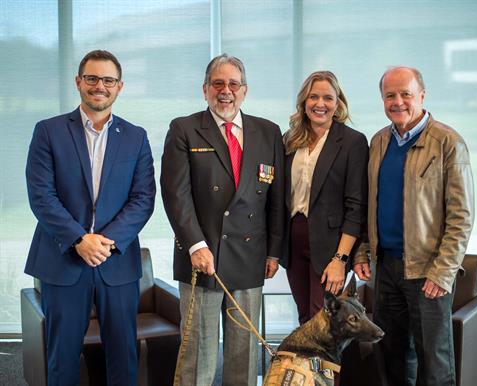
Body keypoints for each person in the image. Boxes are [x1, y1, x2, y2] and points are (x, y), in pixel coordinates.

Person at [25, 50, 155, 386]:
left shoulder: (136, 137)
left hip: (117, 264)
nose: (100, 86)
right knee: (62, 358)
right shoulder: (48, 131)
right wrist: (80, 240)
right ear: (79, 82)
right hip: (63, 260)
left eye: (108, 80)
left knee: (124, 356)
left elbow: (143, 199)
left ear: (119, 86)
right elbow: (41, 196)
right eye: (92, 78)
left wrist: (104, 243)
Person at [161, 53, 284, 386]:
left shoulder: (269, 132)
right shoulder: (184, 129)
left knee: (243, 360)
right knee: (197, 356)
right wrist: (196, 245)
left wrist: (273, 251)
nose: (225, 91)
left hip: (250, 257)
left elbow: (277, 199)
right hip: (202, 257)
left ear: (244, 91)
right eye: (218, 83)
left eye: (233, 84)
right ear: (205, 90)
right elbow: (176, 196)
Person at [353, 66, 474, 386]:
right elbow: (372, 206)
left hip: (428, 271)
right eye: (389, 95)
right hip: (386, 269)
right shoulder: (379, 141)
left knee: (434, 361)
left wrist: (443, 272)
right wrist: (364, 251)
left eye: (405, 94)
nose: (398, 101)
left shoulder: (448, 142)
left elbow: (461, 217)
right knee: (391, 357)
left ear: (421, 95)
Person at [282, 70, 368, 324]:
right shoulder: (290, 139)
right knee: (305, 320)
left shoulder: (353, 142)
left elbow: (356, 206)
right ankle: (308, 366)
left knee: (323, 321)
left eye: (328, 98)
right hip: (294, 242)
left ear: (338, 103)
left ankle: (326, 366)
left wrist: (341, 259)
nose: (320, 104)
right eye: (314, 97)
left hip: (331, 246)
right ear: (303, 102)